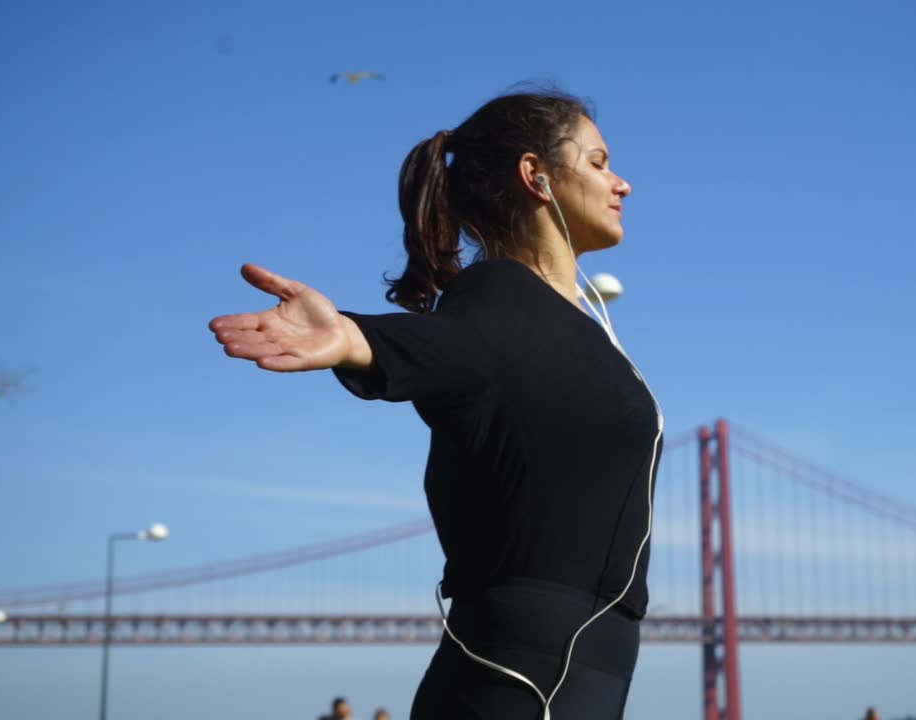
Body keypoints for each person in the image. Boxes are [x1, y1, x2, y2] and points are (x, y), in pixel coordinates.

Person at [210, 88, 661, 720]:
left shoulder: (569, 323)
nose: (623, 184)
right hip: (514, 686)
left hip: (567, 681)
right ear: (536, 176)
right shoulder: (502, 304)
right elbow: (452, 342)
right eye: (597, 161)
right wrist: (353, 336)